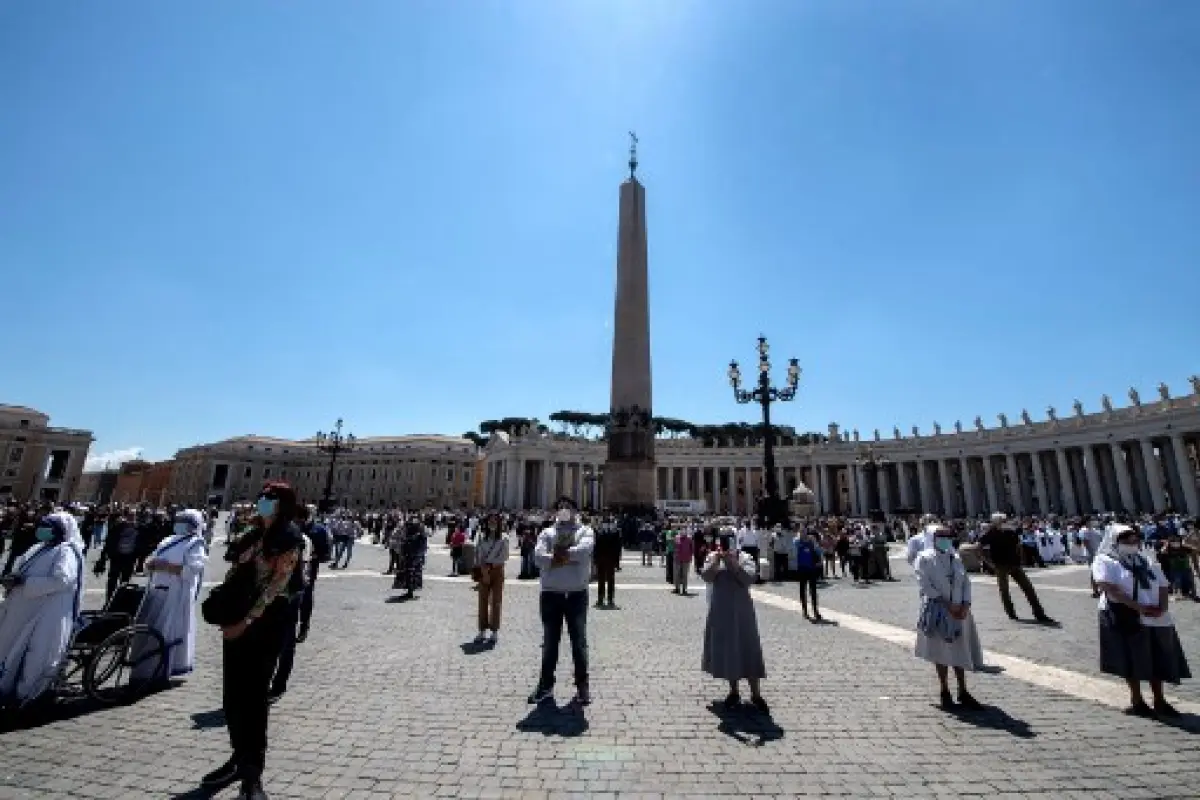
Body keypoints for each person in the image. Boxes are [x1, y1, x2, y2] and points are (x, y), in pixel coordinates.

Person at [200, 483, 303, 800]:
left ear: (282, 504)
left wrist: (246, 622)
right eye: (262, 497)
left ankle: (252, 776)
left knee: (254, 701)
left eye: (269, 499)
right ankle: (238, 757)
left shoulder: (290, 539)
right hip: (236, 621)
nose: (262, 502)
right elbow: (235, 572)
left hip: (265, 625)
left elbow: (275, 588)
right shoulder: (251, 532)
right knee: (232, 697)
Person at [1093, 524, 1191, 718]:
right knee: (1129, 657)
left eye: (1134, 539)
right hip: (1124, 613)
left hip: (1156, 615)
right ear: (1114, 541)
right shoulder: (1105, 560)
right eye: (1125, 539)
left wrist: (1162, 607)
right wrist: (1139, 608)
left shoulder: (1145, 559)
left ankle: (1160, 700)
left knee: (1157, 656)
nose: (1132, 543)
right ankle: (1137, 700)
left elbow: (1163, 584)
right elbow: (1108, 587)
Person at [0, 511, 86, 711]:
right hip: (25, 608)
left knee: (36, 653)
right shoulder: (39, 548)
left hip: (49, 612)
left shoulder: (67, 551)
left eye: (47, 526)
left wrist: (25, 582)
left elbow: (62, 580)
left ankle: (29, 694)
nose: (41, 530)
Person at [528, 497, 594, 706]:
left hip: (576, 594)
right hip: (551, 594)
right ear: (555, 511)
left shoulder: (585, 531)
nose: (564, 510)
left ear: (576, 510)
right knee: (549, 643)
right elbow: (538, 557)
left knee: (579, 642)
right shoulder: (547, 532)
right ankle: (545, 685)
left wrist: (555, 558)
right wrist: (567, 558)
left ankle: (582, 686)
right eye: (561, 507)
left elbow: (584, 553)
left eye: (569, 507)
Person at [913, 528, 985, 710]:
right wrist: (947, 605)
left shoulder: (956, 558)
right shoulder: (924, 558)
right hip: (939, 610)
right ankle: (944, 690)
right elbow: (925, 585)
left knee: (961, 650)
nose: (945, 540)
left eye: (948, 537)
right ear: (933, 539)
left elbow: (966, 582)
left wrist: (966, 603)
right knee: (941, 651)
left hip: (960, 611)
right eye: (941, 537)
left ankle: (963, 690)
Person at [137, 508, 208, 679]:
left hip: (177, 593)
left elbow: (193, 570)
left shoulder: (195, 544)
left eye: (184, 521)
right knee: (150, 630)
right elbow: (151, 559)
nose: (179, 524)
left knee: (167, 632)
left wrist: (166, 567)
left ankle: (164, 669)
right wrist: (150, 564)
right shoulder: (168, 540)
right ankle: (146, 668)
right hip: (157, 589)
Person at [701, 531, 768, 712]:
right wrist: (716, 561)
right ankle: (734, 691)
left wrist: (733, 563)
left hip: (742, 613)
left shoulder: (745, 557)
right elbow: (706, 576)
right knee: (729, 652)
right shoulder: (713, 557)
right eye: (723, 542)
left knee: (749, 648)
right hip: (721, 612)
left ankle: (755, 693)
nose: (725, 546)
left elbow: (748, 578)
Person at [978, 515, 1057, 625]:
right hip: (1000, 565)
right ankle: (1011, 613)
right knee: (1004, 591)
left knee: (1029, 588)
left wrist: (1020, 558)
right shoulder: (991, 533)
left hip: (1014, 564)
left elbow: (1018, 544)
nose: (1005, 522)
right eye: (1003, 521)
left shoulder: (1011, 532)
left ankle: (1039, 613)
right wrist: (988, 563)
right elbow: (979, 546)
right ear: (997, 522)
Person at [473, 513, 509, 644]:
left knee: (496, 601)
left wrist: (490, 566)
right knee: (482, 601)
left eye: (495, 521)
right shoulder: (481, 537)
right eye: (490, 521)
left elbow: (504, 556)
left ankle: (494, 631)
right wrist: (483, 569)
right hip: (483, 571)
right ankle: (482, 630)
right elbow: (478, 554)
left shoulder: (504, 538)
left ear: (499, 523)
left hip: (497, 571)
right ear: (487, 523)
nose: (492, 523)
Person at [94, 509, 140, 602]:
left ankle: (118, 602)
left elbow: (141, 543)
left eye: (133, 516)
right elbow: (108, 543)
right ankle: (108, 601)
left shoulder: (138, 528)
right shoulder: (117, 527)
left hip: (129, 559)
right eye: (130, 516)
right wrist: (103, 558)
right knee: (112, 581)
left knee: (125, 582)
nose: (131, 518)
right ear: (125, 516)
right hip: (117, 557)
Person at [593, 516, 622, 608]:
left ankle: (610, 599)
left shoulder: (616, 532)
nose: (606, 525)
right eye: (605, 523)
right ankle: (600, 598)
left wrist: (617, 562)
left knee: (610, 580)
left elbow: (618, 548)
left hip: (611, 559)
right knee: (601, 580)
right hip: (601, 559)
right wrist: (595, 559)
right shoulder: (598, 532)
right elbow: (595, 547)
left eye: (608, 523)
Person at [393, 519, 427, 599]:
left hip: (411, 557)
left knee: (411, 574)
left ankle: (410, 591)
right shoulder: (418, 536)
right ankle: (410, 591)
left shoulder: (415, 536)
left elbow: (421, 547)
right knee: (411, 574)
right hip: (413, 557)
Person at [794, 531, 822, 621]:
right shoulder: (798, 543)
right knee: (803, 590)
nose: (804, 535)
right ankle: (805, 610)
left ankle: (815, 610)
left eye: (805, 533)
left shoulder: (812, 543)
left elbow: (819, 552)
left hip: (811, 569)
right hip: (802, 569)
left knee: (813, 591)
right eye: (802, 533)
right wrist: (800, 536)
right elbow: (794, 542)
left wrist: (814, 542)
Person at [673, 527, 694, 596]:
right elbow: (675, 547)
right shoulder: (677, 538)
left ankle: (684, 589)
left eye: (684, 531)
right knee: (677, 574)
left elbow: (692, 548)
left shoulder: (689, 539)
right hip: (678, 558)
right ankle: (677, 588)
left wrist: (691, 557)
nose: (683, 532)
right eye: (682, 531)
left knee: (685, 575)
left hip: (686, 558)